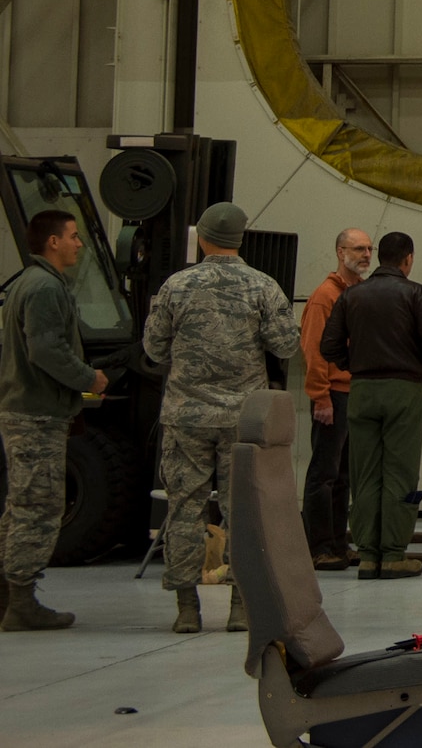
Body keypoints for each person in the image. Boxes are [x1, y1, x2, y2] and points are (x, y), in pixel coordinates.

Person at [143, 202, 298, 634]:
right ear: (240, 239)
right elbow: (286, 344)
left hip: (185, 416)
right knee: (244, 513)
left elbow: (153, 349)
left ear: (204, 237)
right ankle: (240, 607)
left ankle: (186, 608)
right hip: (243, 420)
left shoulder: (176, 285)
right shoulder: (262, 286)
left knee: (183, 509)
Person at [0, 210, 108, 631]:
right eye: (73, 236)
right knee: (38, 508)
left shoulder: (32, 282)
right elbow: (45, 351)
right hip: (37, 415)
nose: (79, 244)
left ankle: (11, 597)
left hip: (27, 410)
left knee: (20, 505)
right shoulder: (45, 287)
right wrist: (89, 379)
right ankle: (22, 602)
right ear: (53, 242)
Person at [322, 232, 422, 579]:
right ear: (408, 259)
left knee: (363, 471)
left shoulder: (352, 295)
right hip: (403, 389)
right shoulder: (415, 293)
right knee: (399, 470)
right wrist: (420, 366)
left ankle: (366, 555)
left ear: (379, 258)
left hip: (361, 389)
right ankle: (392, 554)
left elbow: (328, 345)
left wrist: (354, 363)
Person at [300, 228, 371, 570]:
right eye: (358, 249)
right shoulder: (325, 296)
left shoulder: (358, 293)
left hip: (353, 394)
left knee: (344, 476)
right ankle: (318, 546)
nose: (366, 255)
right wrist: (320, 396)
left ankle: (339, 543)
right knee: (323, 474)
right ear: (340, 251)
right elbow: (313, 351)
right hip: (333, 396)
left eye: (369, 249)